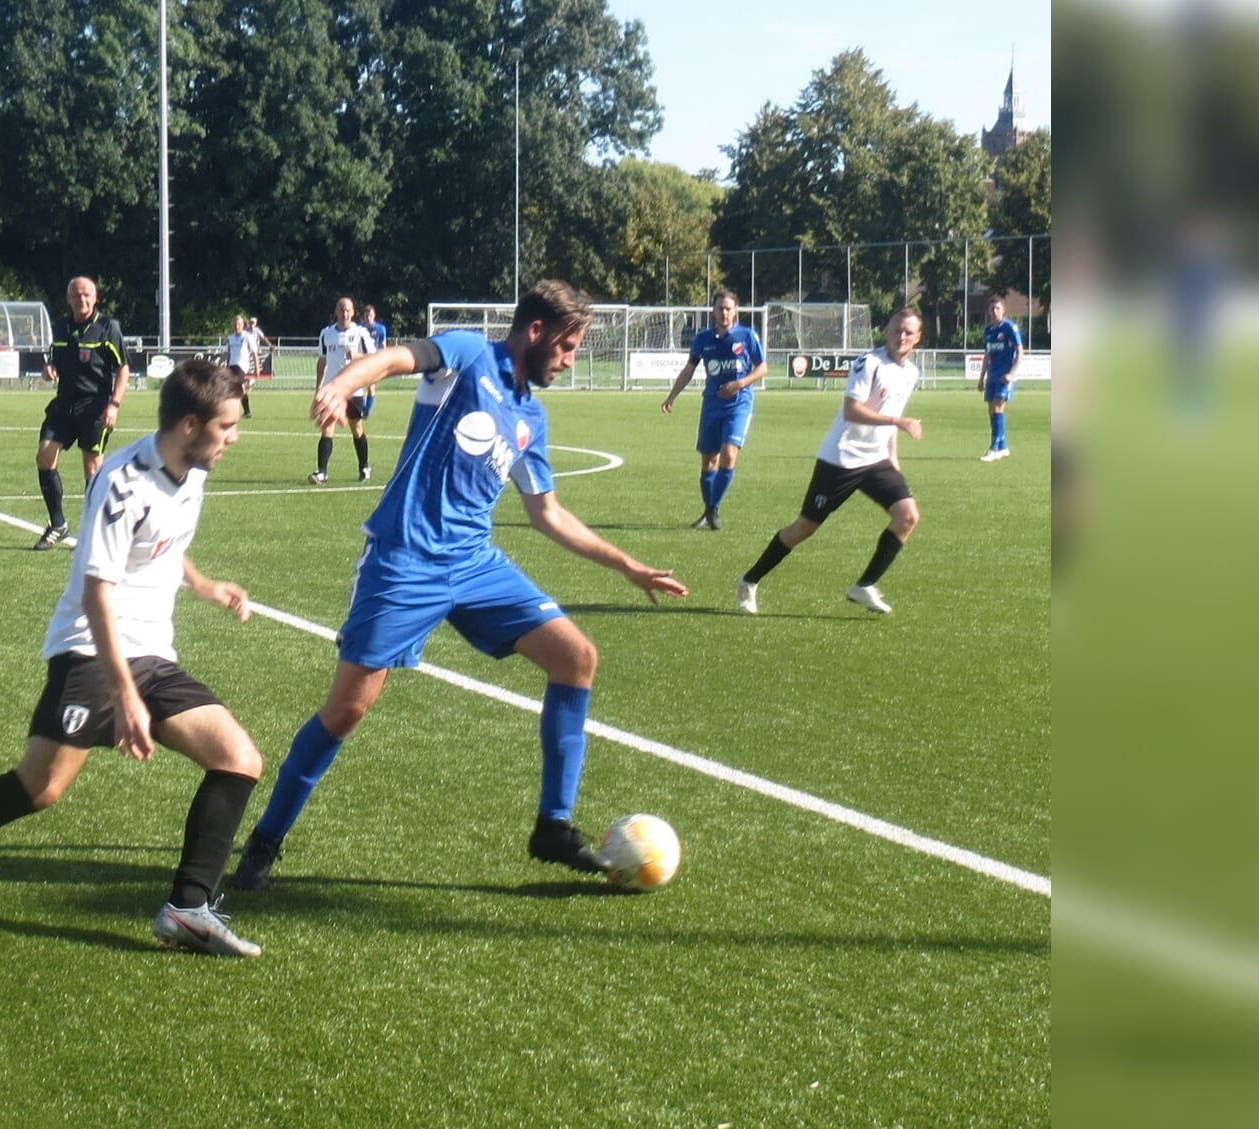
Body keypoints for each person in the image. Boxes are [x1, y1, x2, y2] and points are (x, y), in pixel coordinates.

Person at [232, 280, 689, 891]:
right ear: (535, 332)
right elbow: (400, 358)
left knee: (576, 657)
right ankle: (265, 840)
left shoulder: (531, 416)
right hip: (404, 559)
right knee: (348, 709)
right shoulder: (470, 356)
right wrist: (342, 383)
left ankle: (553, 826)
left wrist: (626, 566)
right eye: (568, 346)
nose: (570, 359)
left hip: (475, 564)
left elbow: (547, 513)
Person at [0, 359, 265, 957]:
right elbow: (98, 592)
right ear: (191, 424)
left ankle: (188, 909)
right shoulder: (123, 482)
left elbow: (161, 547)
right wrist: (124, 696)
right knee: (39, 788)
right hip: (91, 652)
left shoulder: (192, 470)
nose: (234, 438)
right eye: (227, 426)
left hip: (150, 653)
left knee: (239, 758)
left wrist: (203, 585)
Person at [734, 307, 926, 617]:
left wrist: (894, 462)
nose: (900, 336)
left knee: (908, 516)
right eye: (895, 329)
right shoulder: (870, 363)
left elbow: (890, 421)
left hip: (876, 461)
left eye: (907, 332)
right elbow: (852, 411)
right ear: (886, 330)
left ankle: (864, 585)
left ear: (917, 338)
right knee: (805, 527)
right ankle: (749, 580)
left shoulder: (911, 372)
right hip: (841, 459)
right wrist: (899, 421)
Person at [33, 276, 131, 550]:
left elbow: (123, 367)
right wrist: (49, 368)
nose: (82, 299)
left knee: (92, 466)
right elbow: (53, 359)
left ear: (95, 297)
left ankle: (95, 531)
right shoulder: (61, 327)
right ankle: (58, 524)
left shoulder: (108, 327)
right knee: (44, 455)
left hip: (95, 405)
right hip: (64, 403)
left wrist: (114, 404)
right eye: (76, 295)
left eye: (86, 294)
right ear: (68, 299)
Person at [659, 290, 767, 530]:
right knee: (709, 461)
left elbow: (762, 368)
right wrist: (671, 396)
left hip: (739, 403)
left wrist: (739, 384)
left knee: (729, 454)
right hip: (711, 405)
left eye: (729, 308)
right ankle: (709, 510)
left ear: (736, 310)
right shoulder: (703, 339)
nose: (724, 312)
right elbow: (689, 369)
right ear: (713, 311)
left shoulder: (747, 336)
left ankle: (713, 510)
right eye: (720, 308)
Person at [310, 297, 378, 483]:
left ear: (353, 312)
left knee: (356, 429)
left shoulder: (360, 333)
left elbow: (374, 359)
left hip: (353, 389)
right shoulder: (326, 333)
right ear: (336, 312)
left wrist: (355, 355)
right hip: (333, 390)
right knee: (327, 428)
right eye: (341, 310)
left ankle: (364, 467)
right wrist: (319, 388)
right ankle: (322, 472)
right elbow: (322, 361)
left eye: (348, 310)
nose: (344, 314)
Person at [977, 296, 1024, 461]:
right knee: (992, 412)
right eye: (991, 309)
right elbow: (987, 355)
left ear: (1004, 310)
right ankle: (1003, 446)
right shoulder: (989, 331)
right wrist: (982, 377)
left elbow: (1020, 352)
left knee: (997, 408)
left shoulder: (1010, 328)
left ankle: (994, 449)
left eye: (997, 308)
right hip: (992, 376)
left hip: (1005, 377)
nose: (994, 311)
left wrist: (1011, 373)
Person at [223, 315, 259, 419]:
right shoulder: (230, 338)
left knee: (238, 387)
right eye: (235, 324)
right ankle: (246, 412)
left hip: (242, 366)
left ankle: (243, 411)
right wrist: (220, 362)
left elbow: (254, 352)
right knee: (235, 388)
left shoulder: (247, 336)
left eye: (239, 324)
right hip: (231, 365)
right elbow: (226, 353)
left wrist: (257, 367)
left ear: (243, 325)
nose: (236, 326)